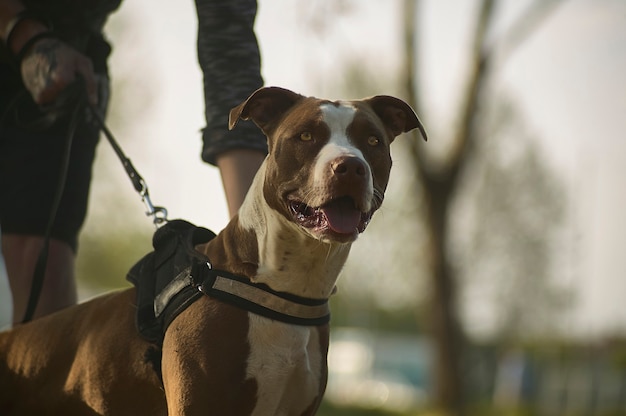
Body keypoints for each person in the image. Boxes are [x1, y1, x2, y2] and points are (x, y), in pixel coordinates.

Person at [0, 0, 266, 324]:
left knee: (43, 264)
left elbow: (230, 54)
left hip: (68, 65)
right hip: (28, 38)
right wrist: (21, 30)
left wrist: (254, 254)